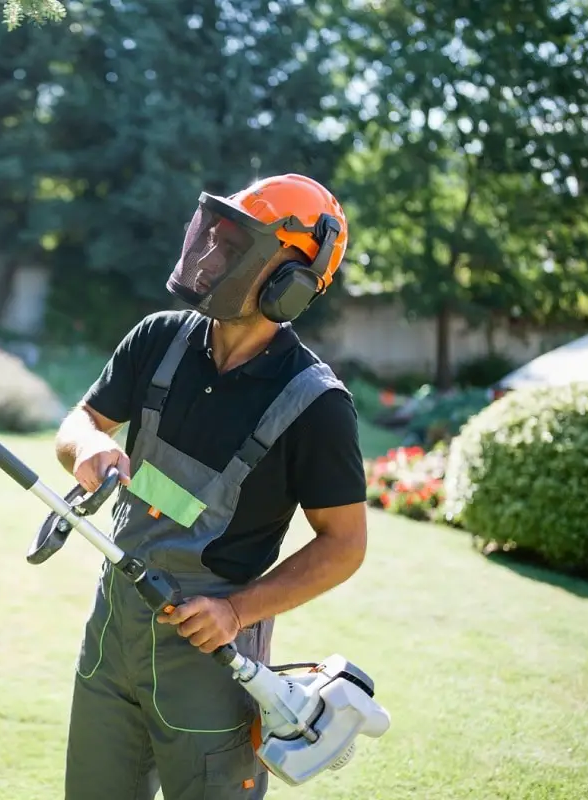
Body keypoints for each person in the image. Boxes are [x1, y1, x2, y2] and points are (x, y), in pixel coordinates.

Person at [54, 173, 369, 800]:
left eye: (235, 247)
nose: (209, 255)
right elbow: (82, 420)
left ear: (292, 282)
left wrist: (236, 611)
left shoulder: (316, 404)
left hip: (211, 654)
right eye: (214, 237)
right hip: (113, 625)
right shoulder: (158, 338)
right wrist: (87, 447)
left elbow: (344, 545)